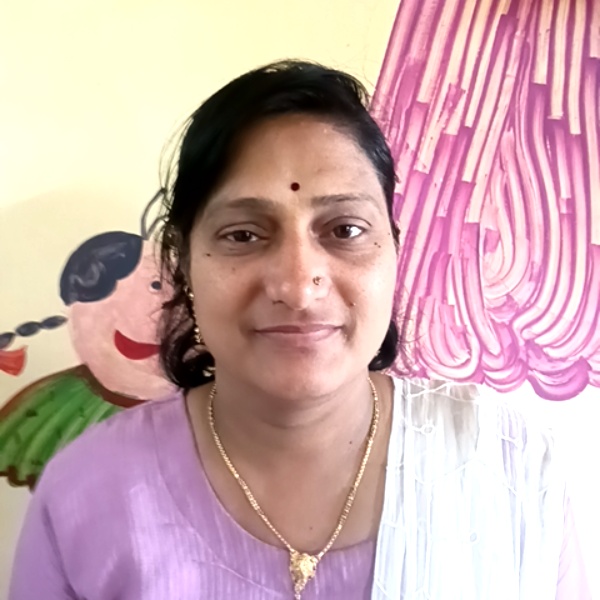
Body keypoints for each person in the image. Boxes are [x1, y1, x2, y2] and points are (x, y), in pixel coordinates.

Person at [9, 60, 590, 599]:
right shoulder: (88, 493)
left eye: (345, 230)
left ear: (393, 251)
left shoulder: (515, 473)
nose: (297, 284)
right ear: (182, 264)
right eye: (243, 235)